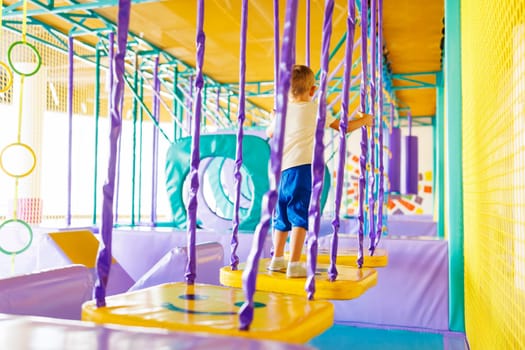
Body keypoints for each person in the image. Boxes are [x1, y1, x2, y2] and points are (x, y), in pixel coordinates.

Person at [266, 64, 374, 278]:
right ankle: (294, 264)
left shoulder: (282, 114)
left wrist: (274, 118)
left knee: (282, 217)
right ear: (313, 90)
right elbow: (343, 127)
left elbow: (269, 133)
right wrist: (365, 120)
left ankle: (277, 259)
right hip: (303, 170)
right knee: (299, 215)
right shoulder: (316, 109)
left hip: (281, 174)